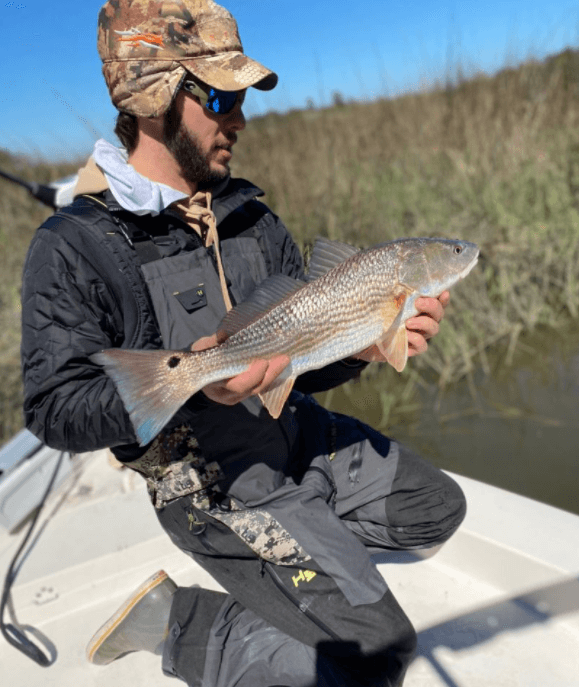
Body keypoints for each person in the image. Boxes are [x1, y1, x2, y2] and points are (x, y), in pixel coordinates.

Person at [20, 1, 466, 685]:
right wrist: (194, 388)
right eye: (221, 96)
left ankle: (301, 563)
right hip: (209, 482)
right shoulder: (75, 244)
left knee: (435, 509)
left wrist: (366, 346)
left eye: (242, 98)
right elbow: (54, 408)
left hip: (293, 434)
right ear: (152, 97)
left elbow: (299, 356)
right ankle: (185, 624)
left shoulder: (249, 213)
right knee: (378, 652)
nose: (239, 119)